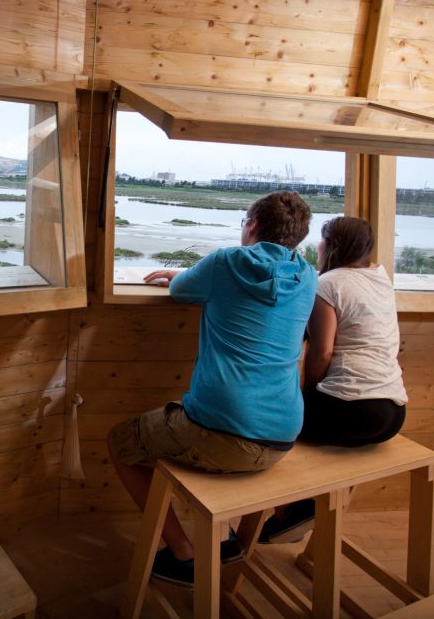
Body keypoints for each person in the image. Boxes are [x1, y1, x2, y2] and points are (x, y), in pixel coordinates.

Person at [107, 191, 317, 588]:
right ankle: (233, 536)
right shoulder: (308, 277)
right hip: (283, 435)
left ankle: (183, 555)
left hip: (226, 435)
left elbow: (180, 291)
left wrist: (177, 275)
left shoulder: (227, 262)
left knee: (120, 442)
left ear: (252, 225)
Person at [259, 216, 408, 545]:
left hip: (354, 409)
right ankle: (304, 506)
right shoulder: (380, 277)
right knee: (302, 427)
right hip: (394, 413)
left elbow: (321, 353)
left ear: (330, 246)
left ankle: (291, 510)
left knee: (274, 422)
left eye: (323, 241)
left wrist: (307, 395)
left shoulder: (328, 284)